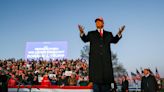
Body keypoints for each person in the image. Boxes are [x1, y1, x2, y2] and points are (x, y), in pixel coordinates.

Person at [78, 17, 125, 92]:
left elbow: (114, 40)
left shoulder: (108, 34)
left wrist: (119, 33)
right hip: (95, 65)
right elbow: (85, 39)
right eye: (96, 22)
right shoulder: (91, 33)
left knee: (106, 87)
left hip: (106, 65)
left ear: (103, 23)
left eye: (99, 22)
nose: (97, 23)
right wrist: (81, 32)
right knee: (96, 86)